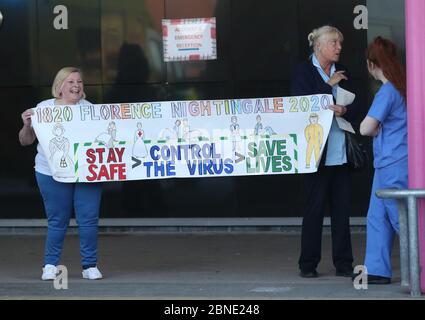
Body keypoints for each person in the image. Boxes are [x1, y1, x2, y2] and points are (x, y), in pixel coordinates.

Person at [19, 67, 103, 280]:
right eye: (70, 82)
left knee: (88, 219)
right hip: (51, 172)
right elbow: (25, 141)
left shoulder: (91, 109)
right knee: (57, 220)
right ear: (60, 86)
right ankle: (49, 265)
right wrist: (26, 125)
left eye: (79, 82)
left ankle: (89, 266)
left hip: (86, 172)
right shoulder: (43, 109)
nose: (76, 85)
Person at [291, 25, 359, 278]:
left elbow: (358, 105)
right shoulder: (303, 71)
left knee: (342, 213)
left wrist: (346, 111)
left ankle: (343, 263)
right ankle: (307, 264)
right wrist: (327, 84)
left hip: (340, 152)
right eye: (333, 42)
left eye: (340, 43)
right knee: (314, 211)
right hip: (315, 154)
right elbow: (300, 107)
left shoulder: (344, 72)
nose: (339, 47)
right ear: (318, 45)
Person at [358, 37, 407, 284]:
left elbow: (366, 128)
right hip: (392, 161)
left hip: (392, 162)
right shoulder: (403, 87)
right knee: (377, 215)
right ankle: (376, 269)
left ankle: (419, 267)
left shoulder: (386, 92)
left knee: (400, 219)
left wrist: (373, 127)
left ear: (371, 63)